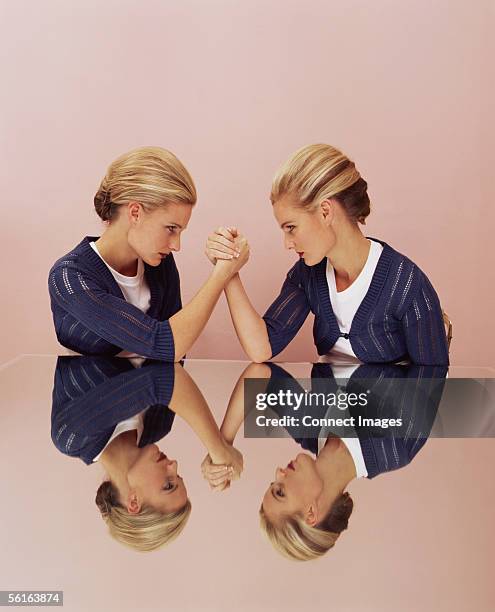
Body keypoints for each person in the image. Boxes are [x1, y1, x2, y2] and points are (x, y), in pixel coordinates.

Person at [205, 143, 449, 366]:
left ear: (325, 212)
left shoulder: (407, 285)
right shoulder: (307, 274)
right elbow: (261, 348)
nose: (287, 244)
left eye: (291, 228)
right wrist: (229, 270)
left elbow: (432, 388)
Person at [202, 361, 446, 561]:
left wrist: (224, 443)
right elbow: (431, 362)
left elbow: (260, 373)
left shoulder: (307, 429)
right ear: (310, 513)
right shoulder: (396, 447)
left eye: (273, 484)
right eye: (280, 492)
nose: (278, 472)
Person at [48, 146, 248, 360]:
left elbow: (176, 358)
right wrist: (221, 274)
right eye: (171, 228)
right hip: (92, 393)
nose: (176, 245)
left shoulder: (160, 264)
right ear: (135, 213)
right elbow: (167, 345)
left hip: (155, 392)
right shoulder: (69, 276)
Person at [52, 356, 242, 552]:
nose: (174, 465)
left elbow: (166, 379)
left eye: (168, 485)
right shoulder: (158, 427)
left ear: (133, 502)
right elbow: (175, 353)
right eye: (178, 476)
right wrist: (225, 442)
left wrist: (218, 449)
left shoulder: (73, 437)